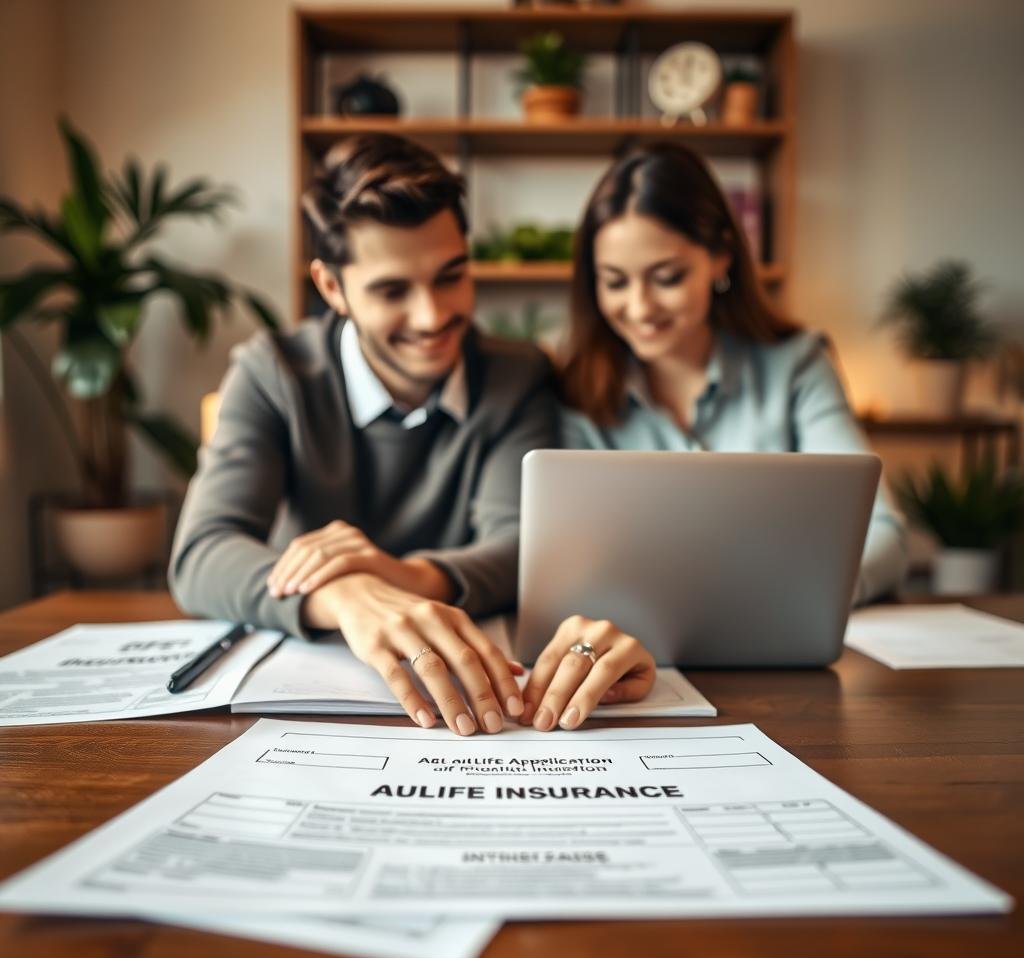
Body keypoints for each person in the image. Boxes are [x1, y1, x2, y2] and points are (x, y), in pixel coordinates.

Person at [170, 133, 656, 735]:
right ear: (331, 287)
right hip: (306, 700)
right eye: (392, 290)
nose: (432, 317)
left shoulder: (517, 374)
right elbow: (201, 554)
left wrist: (401, 578)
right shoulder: (272, 371)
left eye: (451, 276)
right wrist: (348, 598)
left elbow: (519, 547)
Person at [558, 142, 907, 604]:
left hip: (784, 631)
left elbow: (881, 529)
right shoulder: (576, 390)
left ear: (721, 256)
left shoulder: (797, 365)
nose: (639, 308)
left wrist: (818, 594)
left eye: (667, 278)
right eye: (615, 281)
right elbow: (571, 560)